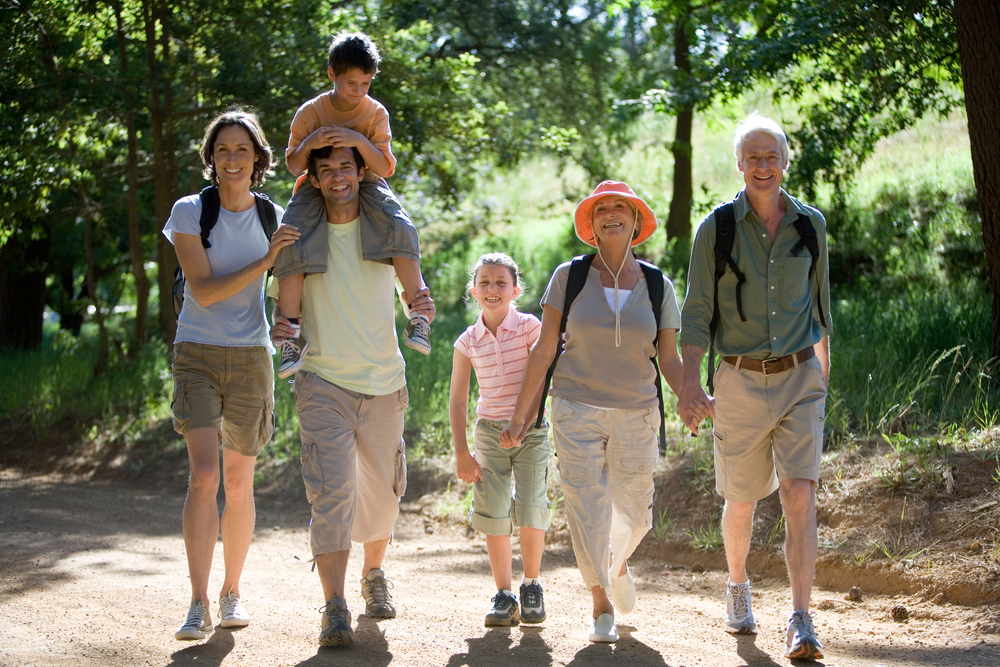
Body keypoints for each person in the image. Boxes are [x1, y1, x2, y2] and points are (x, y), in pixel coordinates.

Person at [501, 181, 693, 643]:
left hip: (638, 411)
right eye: (601, 208)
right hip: (575, 407)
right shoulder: (569, 277)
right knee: (587, 508)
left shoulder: (656, 284)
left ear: (634, 221)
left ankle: (618, 562)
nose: (611, 214)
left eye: (620, 208)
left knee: (636, 512)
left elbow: (668, 357)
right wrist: (520, 415)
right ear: (591, 223)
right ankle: (600, 603)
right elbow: (544, 349)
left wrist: (690, 395)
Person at [677, 112, 831, 661]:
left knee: (799, 494)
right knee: (741, 501)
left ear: (785, 163)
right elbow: (695, 314)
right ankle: (738, 587)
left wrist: (821, 386)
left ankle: (801, 618)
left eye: (773, 156)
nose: (763, 166)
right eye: (754, 157)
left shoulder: (810, 225)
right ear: (740, 164)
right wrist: (691, 385)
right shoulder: (715, 229)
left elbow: (821, 313)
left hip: (800, 379)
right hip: (738, 380)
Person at [270, 144, 435, 648]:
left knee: (384, 496)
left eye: (346, 167)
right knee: (332, 493)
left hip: (384, 381)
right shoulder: (302, 236)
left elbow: (408, 262)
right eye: (326, 171)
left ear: (360, 172)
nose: (337, 177)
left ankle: (374, 573)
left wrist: (418, 305)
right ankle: (335, 606)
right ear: (314, 179)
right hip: (323, 381)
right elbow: (280, 284)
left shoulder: (384, 227)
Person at [164, 109, 300, 640]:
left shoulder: (275, 215)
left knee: (239, 483)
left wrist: (292, 321)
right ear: (211, 159)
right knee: (204, 475)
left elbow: (293, 281)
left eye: (242, 149)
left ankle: (231, 591)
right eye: (222, 150)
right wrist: (267, 260)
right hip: (196, 351)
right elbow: (203, 290)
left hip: (251, 356)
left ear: (258, 158)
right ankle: (197, 600)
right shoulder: (189, 211)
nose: (232, 158)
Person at [273, 31, 431, 380]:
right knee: (290, 238)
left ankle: (419, 315)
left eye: (366, 83)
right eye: (350, 83)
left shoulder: (374, 113)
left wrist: (357, 140)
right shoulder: (311, 112)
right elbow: (294, 165)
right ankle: (290, 334)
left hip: (368, 181)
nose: (359, 91)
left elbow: (385, 167)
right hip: (314, 185)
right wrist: (312, 141)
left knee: (399, 225)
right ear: (332, 74)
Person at [449, 252, 550, 627]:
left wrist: (522, 423)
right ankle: (505, 594)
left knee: (530, 506)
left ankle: (532, 586)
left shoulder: (529, 328)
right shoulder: (467, 341)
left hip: (531, 430)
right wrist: (462, 451)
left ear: (515, 290)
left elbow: (542, 378)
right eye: (485, 283)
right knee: (493, 512)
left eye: (500, 283)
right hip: (489, 434)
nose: (493, 289)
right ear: (473, 291)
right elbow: (458, 399)